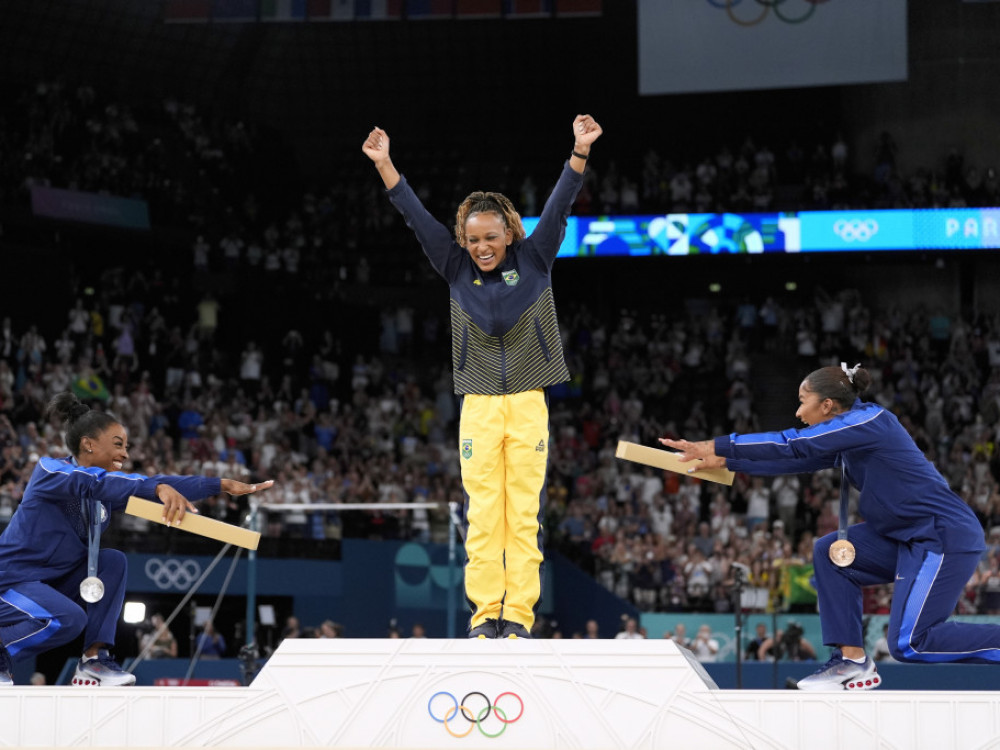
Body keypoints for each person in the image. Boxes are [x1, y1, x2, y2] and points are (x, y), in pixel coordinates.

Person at [362, 114, 603, 640]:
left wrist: (579, 152)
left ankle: (516, 616)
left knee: (523, 516)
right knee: (482, 516)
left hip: (527, 402)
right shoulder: (454, 268)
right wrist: (385, 165)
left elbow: (560, 203)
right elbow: (415, 216)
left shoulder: (536, 258)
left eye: (491, 237)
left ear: (510, 233)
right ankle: (483, 616)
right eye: (472, 239)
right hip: (478, 406)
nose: (482, 247)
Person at [662, 363, 1000, 692]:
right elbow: (797, 458)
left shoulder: (872, 420)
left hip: (941, 535)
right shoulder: (849, 436)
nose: (797, 412)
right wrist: (725, 461)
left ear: (826, 404)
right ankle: (852, 661)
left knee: (910, 642)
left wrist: (717, 445)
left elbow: (792, 443)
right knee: (831, 555)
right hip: (906, 537)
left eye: (802, 401)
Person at [0, 392, 273, 687]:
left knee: (113, 561)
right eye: (118, 445)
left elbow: (149, 483)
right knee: (68, 618)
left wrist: (218, 485)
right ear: (88, 444)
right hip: (10, 581)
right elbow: (98, 482)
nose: (126, 454)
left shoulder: (104, 495)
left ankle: (94, 659)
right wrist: (157, 489)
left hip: (49, 584)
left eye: (127, 447)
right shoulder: (49, 471)